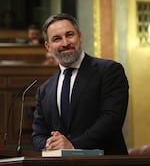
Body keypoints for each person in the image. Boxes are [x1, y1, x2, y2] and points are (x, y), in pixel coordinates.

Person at [32, 13, 129, 155]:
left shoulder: (109, 70)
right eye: (57, 39)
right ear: (48, 46)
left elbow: (112, 119)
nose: (65, 43)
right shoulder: (44, 90)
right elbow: (38, 135)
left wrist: (73, 145)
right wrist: (51, 144)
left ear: (80, 36)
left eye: (70, 35)